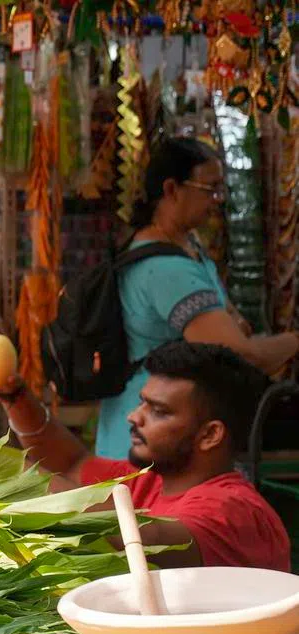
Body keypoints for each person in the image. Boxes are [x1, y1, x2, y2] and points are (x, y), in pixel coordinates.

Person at [0, 340, 289, 571]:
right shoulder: (150, 482)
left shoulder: (238, 512)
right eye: (142, 402)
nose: (134, 416)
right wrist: (15, 396)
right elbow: (71, 463)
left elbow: (144, 536)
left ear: (210, 435)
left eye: (158, 411)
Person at [96, 137, 299, 458]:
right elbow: (241, 354)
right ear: (171, 190)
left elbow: (231, 323)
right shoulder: (166, 270)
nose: (218, 200)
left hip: (154, 432)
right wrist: (294, 342)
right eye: (210, 189)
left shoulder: (185, 248)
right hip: (147, 442)